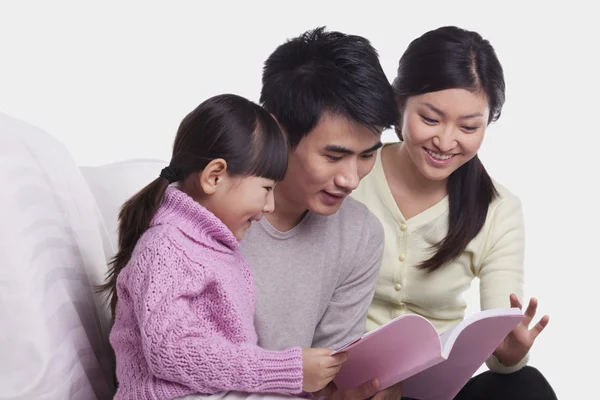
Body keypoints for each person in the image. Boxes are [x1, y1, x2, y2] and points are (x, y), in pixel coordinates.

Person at [351, 26, 558, 399]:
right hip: (350, 384)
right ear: (400, 103)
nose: (445, 142)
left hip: (436, 388)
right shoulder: (352, 173)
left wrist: (510, 354)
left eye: (468, 127)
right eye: (430, 119)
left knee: (526, 386)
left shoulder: (499, 209)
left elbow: (501, 340)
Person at [101, 94, 349, 399]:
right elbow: (171, 353)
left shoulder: (215, 250)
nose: (269, 205)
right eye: (266, 189)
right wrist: (285, 370)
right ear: (214, 176)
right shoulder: (165, 248)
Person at [241, 27, 404, 400]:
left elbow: (329, 380)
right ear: (278, 131)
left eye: (367, 155)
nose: (351, 179)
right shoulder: (209, 215)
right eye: (334, 156)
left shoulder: (360, 234)